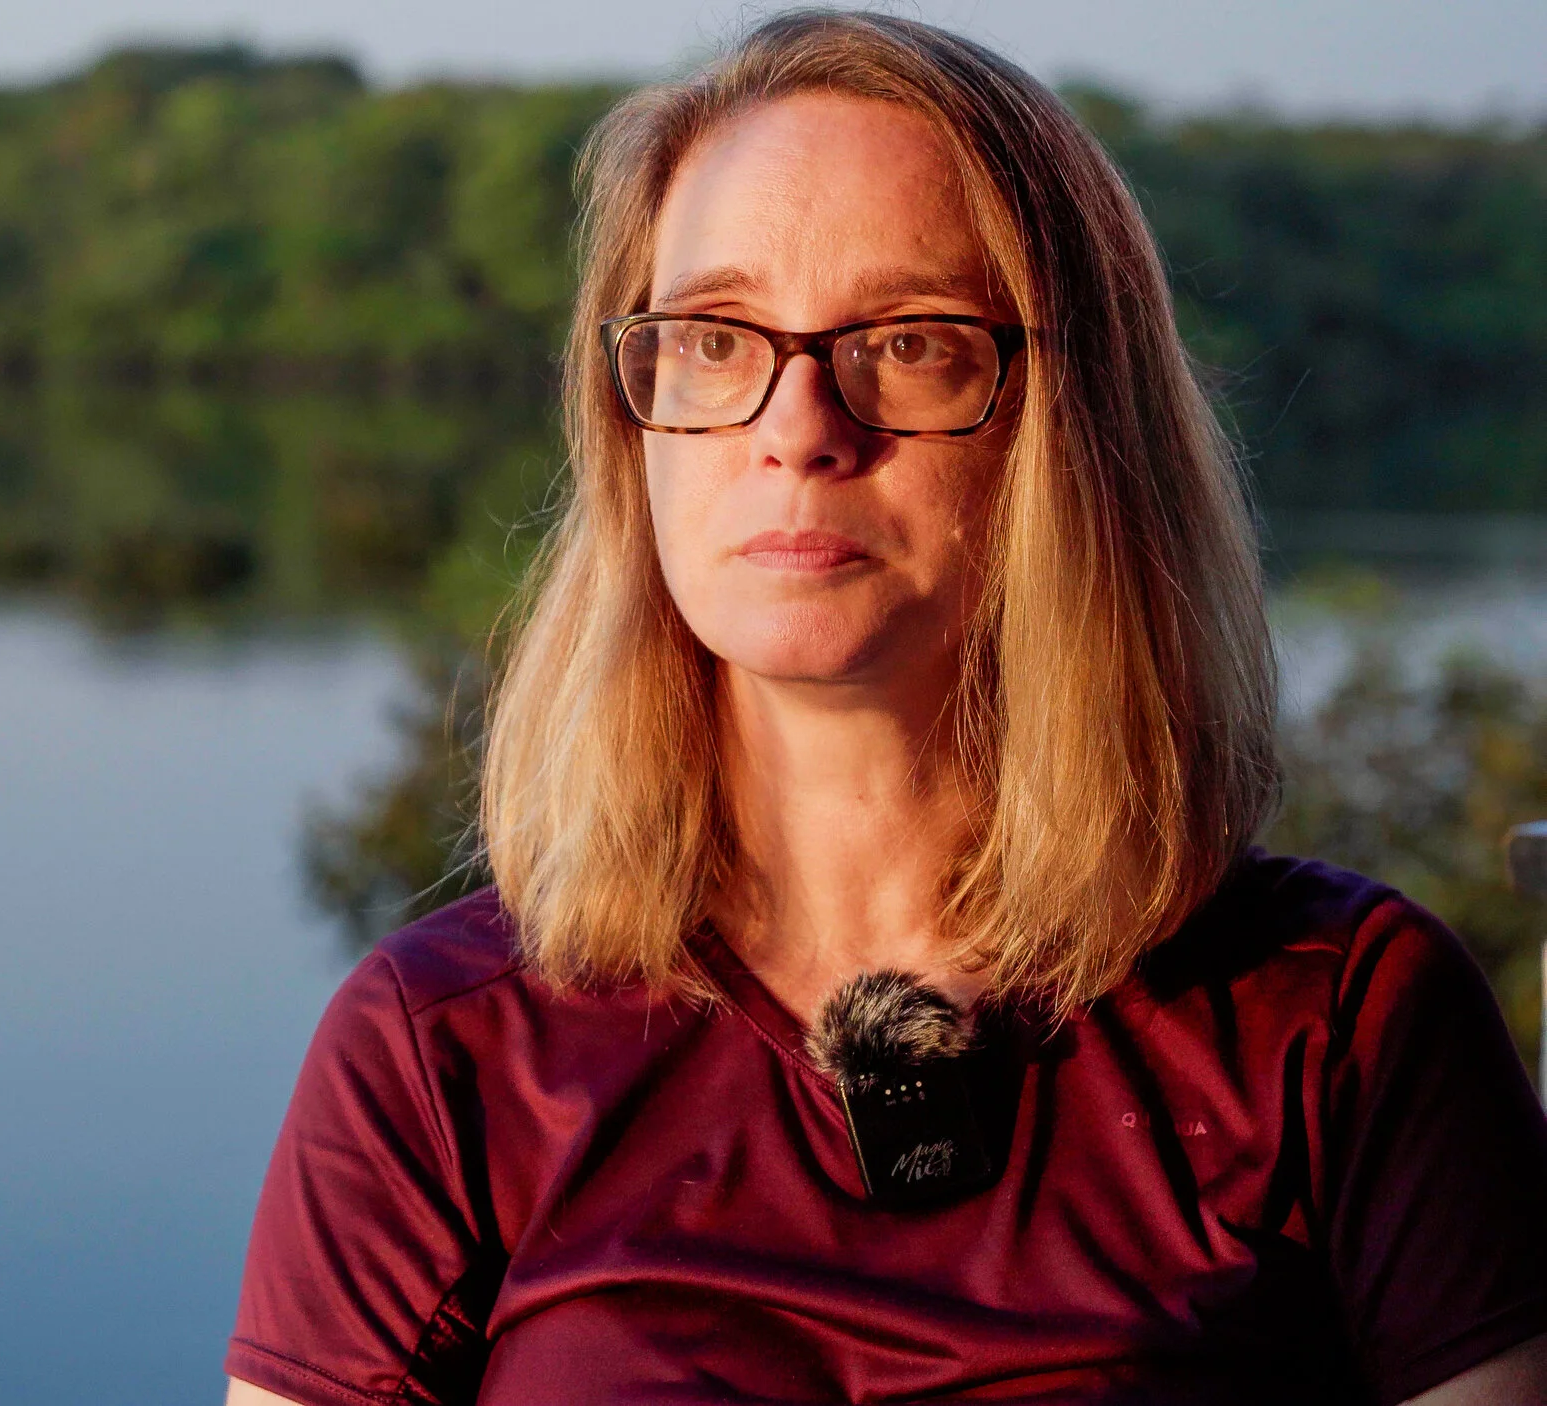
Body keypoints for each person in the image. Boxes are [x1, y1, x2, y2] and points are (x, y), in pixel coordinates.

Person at [223, 11, 1547, 1405]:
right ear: (634, 425)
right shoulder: (441, 1050)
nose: (800, 425)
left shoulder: (1335, 1022)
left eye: (911, 342)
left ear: (1076, 427)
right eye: (717, 339)